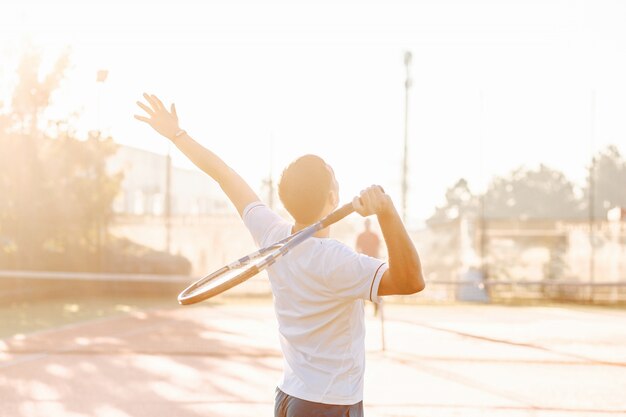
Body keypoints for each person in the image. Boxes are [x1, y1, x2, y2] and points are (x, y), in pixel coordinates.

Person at [135, 93, 425, 417]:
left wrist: (177, 134)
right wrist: (386, 211)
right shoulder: (336, 261)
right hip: (328, 405)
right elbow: (411, 280)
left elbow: (224, 175)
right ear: (333, 196)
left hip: (289, 398)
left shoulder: (271, 233)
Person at [356, 218, 382, 316]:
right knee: (363, 285)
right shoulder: (361, 236)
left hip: (372, 263)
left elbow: (378, 249)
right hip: (364, 263)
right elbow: (357, 249)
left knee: (375, 286)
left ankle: (376, 308)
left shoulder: (374, 236)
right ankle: (363, 307)